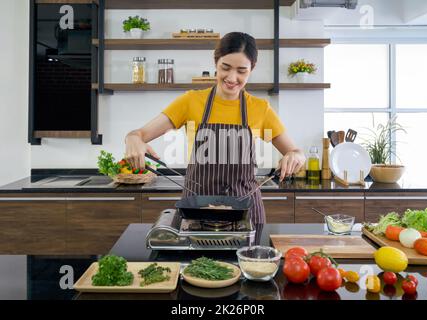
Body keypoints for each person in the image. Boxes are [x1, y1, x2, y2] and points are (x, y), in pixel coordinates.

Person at [125, 32, 306, 225]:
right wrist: (132, 138)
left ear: (252, 69)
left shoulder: (260, 109)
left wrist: (295, 156)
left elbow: (297, 153)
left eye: (241, 71)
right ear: (216, 62)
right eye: (225, 68)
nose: (232, 77)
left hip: (244, 211)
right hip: (197, 208)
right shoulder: (190, 101)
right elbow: (139, 134)